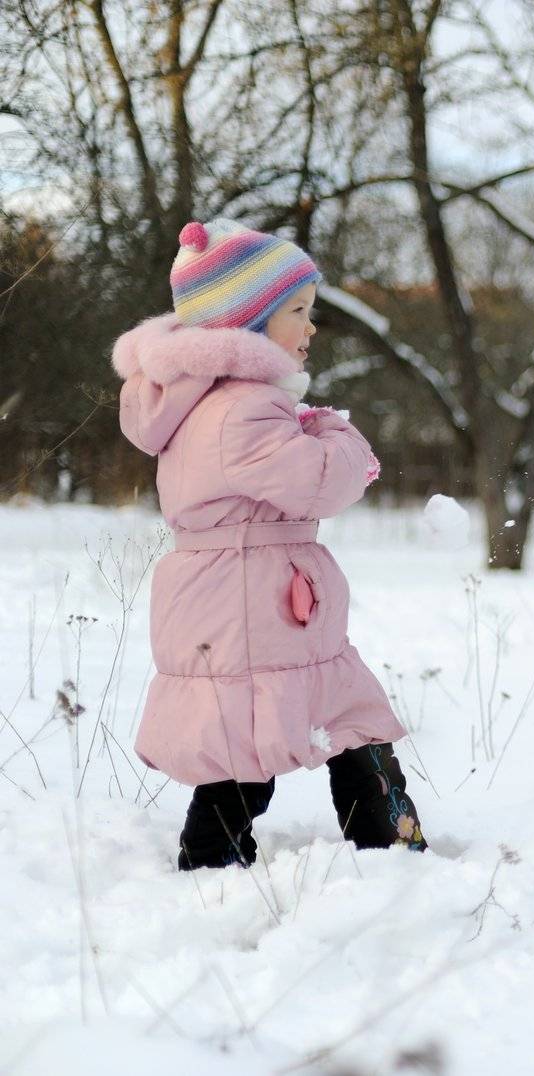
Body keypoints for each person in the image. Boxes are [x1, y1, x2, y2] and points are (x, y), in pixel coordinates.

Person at [114, 218, 426, 869]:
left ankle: (379, 830)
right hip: (251, 599)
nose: (312, 327)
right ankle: (219, 849)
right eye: (299, 311)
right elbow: (317, 482)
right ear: (247, 323)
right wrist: (337, 434)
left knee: (311, 716)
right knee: (264, 730)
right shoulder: (243, 408)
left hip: (246, 591)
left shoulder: (210, 402)